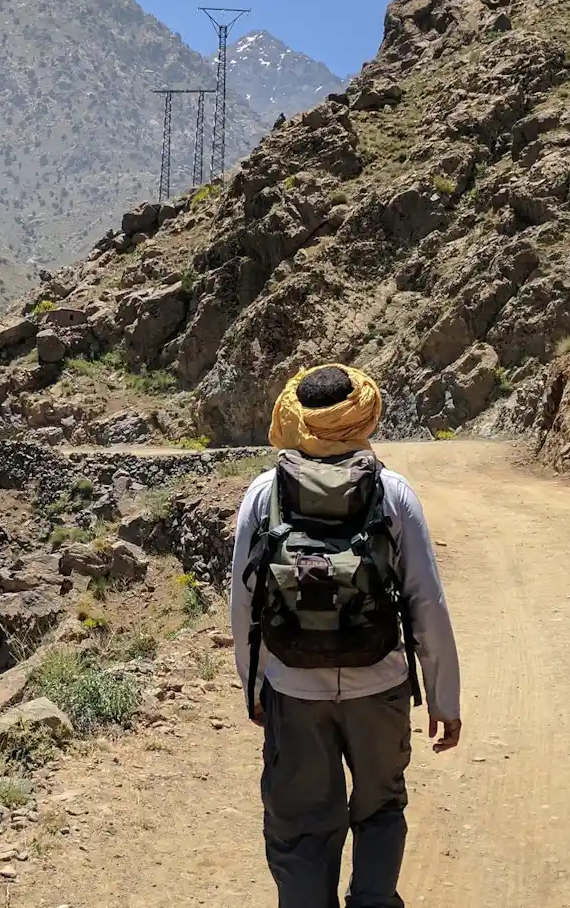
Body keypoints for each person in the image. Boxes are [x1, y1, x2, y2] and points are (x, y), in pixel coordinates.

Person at [231, 364, 462, 908]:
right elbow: (427, 601)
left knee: (301, 826)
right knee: (381, 808)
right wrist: (444, 697)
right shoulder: (393, 492)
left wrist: (255, 686)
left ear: (295, 418)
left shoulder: (265, 494)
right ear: (365, 414)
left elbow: (244, 603)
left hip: (292, 684)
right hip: (378, 682)